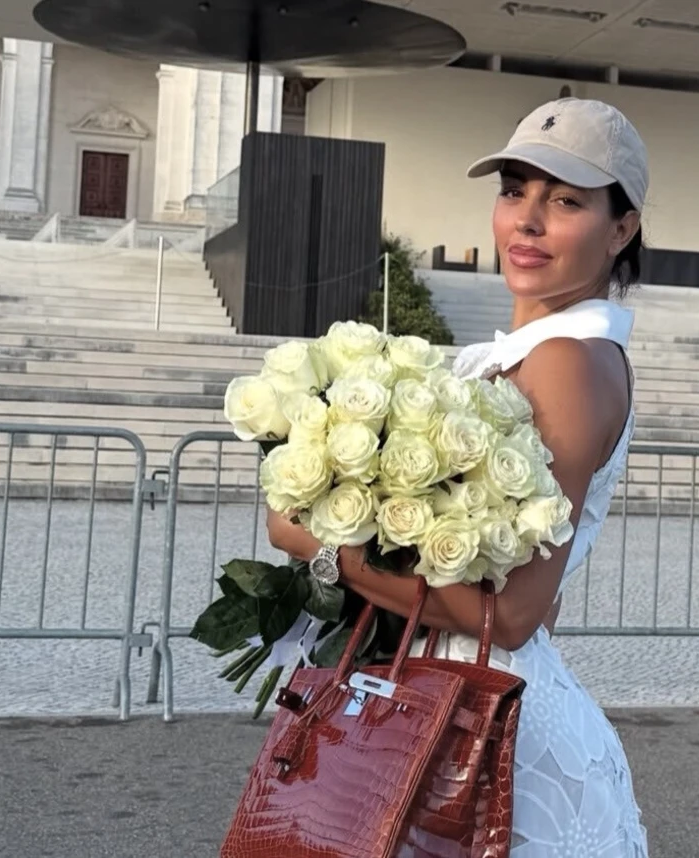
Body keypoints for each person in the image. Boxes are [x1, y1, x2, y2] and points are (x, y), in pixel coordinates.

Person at [266, 96, 650, 857]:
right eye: (515, 191)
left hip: (479, 731)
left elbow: (510, 615)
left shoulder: (569, 362)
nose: (528, 222)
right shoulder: (537, 352)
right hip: (439, 704)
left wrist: (323, 544)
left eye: (566, 201)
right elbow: (543, 597)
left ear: (623, 228)